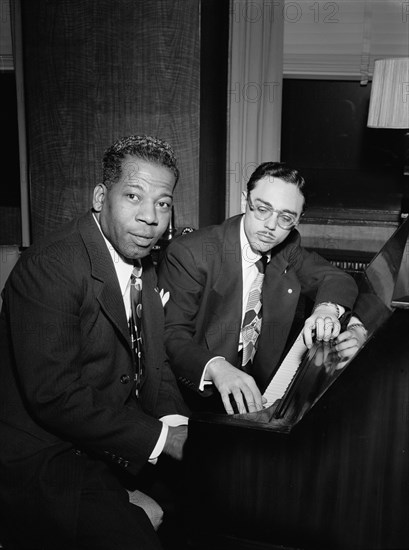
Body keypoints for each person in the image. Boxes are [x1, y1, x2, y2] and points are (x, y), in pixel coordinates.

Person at [0, 135, 189, 550]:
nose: (150, 218)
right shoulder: (51, 267)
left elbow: (152, 361)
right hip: (49, 460)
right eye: (134, 196)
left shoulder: (141, 259)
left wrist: (177, 423)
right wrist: (162, 440)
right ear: (101, 197)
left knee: (215, 507)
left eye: (163, 203)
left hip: (100, 443)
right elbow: (54, 397)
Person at [158, 162, 366, 415]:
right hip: (197, 397)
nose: (271, 225)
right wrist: (215, 366)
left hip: (260, 386)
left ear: (298, 219)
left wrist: (328, 310)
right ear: (245, 200)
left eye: (286, 217)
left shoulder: (286, 249)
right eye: (263, 209)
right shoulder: (191, 254)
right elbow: (171, 335)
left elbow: (338, 279)